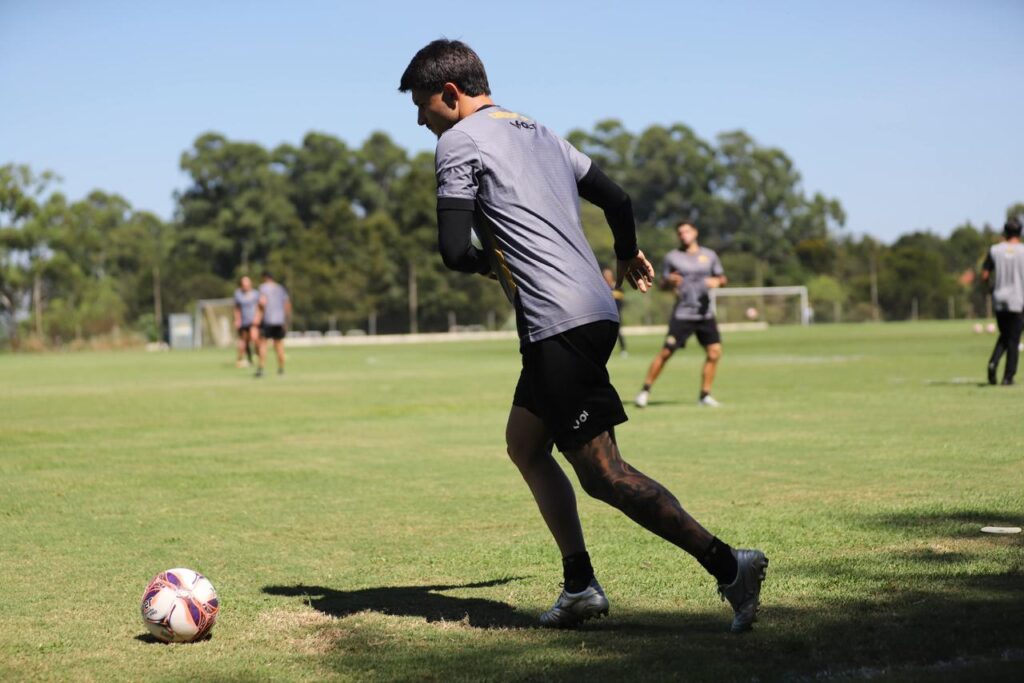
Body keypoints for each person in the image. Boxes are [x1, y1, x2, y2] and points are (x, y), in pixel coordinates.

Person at [399, 39, 767, 632]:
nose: (420, 120)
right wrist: (626, 255)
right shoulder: (540, 132)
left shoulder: (457, 142)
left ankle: (730, 565)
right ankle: (579, 587)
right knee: (525, 445)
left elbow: (450, 250)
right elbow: (617, 198)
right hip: (592, 308)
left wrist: (487, 263)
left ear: (450, 93)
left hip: (555, 320)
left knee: (604, 474)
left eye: (423, 107)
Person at [635, 223, 727, 409]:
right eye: (680, 233)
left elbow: (722, 279)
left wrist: (716, 281)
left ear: (695, 232)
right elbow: (661, 285)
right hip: (683, 313)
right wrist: (669, 281)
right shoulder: (673, 257)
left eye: (687, 231)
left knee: (714, 352)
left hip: (704, 313)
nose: (683, 235)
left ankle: (705, 395)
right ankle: (645, 391)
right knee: (666, 352)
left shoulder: (709, 256)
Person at [981, 217, 1024, 386]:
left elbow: (984, 275)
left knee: (1005, 335)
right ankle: (1008, 377)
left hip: (999, 299)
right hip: (1018, 300)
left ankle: (993, 363)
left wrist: (992, 289)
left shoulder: (995, 250)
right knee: (1013, 339)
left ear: (1005, 232)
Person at [254, 271, 291, 378]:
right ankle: (281, 370)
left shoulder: (263, 288)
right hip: (279, 321)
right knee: (279, 346)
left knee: (263, 345)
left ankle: (261, 369)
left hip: (267, 320)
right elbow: (287, 304)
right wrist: (285, 319)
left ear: (264, 278)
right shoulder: (280, 288)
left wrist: (257, 319)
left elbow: (262, 303)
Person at [233, 275, 260, 368]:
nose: (246, 285)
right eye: (244, 283)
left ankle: (259, 357)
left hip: (254, 321)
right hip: (243, 322)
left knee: (255, 339)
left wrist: (257, 318)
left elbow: (259, 307)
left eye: (247, 283)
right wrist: (237, 320)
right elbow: (237, 308)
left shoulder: (256, 293)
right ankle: (243, 359)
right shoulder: (238, 294)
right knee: (244, 342)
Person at [602, 267, 628, 357]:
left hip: (616, 314)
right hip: (604, 314)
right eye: (605, 275)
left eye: (608, 275)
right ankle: (607, 351)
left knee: (617, 332)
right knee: (605, 333)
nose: (607, 276)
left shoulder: (617, 287)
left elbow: (621, 302)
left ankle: (623, 350)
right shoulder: (602, 287)